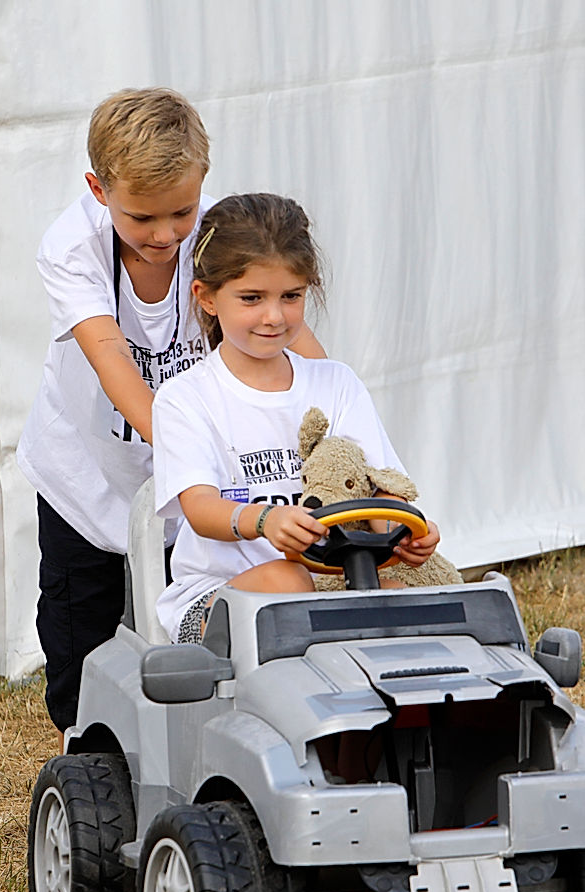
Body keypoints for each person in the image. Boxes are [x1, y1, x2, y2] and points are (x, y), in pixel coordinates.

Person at [17, 90, 325, 745]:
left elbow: (295, 350)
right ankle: (87, 762)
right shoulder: (73, 249)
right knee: (82, 657)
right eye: (142, 218)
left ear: (203, 186)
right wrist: (198, 456)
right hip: (89, 479)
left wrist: (329, 430)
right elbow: (117, 371)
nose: (164, 236)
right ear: (99, 190)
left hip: (200, 484)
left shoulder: (222, 237)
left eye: (181, 212)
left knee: (204, 640)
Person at [152, 192, 441, 650]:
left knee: (403, 602)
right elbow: (200, 509)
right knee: (288, 584)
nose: (274, 316)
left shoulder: (336, 383)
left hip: (328, 583)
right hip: (214, 601)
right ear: (206, 298)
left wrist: (404, 534)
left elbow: (380, 487)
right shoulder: (185, 398)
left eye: (291, 297)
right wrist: (265, 520)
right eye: (252, 298)